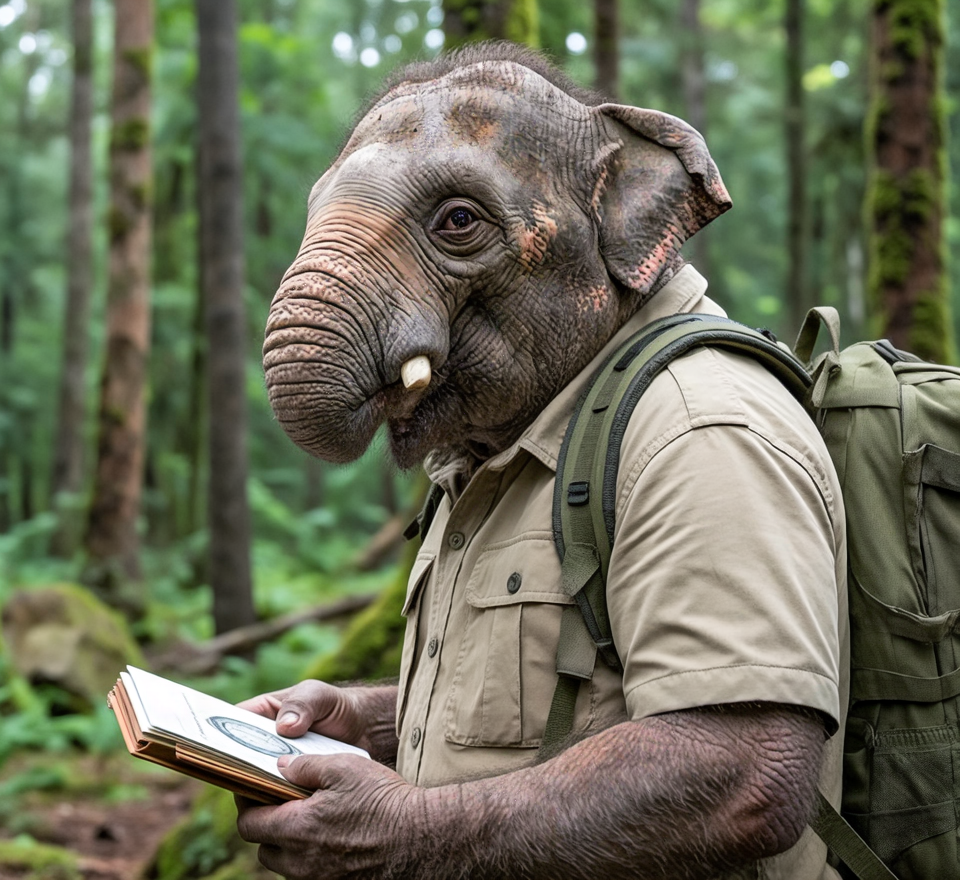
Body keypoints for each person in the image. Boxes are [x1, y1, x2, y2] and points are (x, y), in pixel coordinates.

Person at [239, 43, 848, 880]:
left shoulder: (696, 426)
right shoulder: (502, 445)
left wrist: (415, 838)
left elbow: (745, 769)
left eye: (459, 225)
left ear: (626, 222)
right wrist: (365, 720)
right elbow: (582, 701)